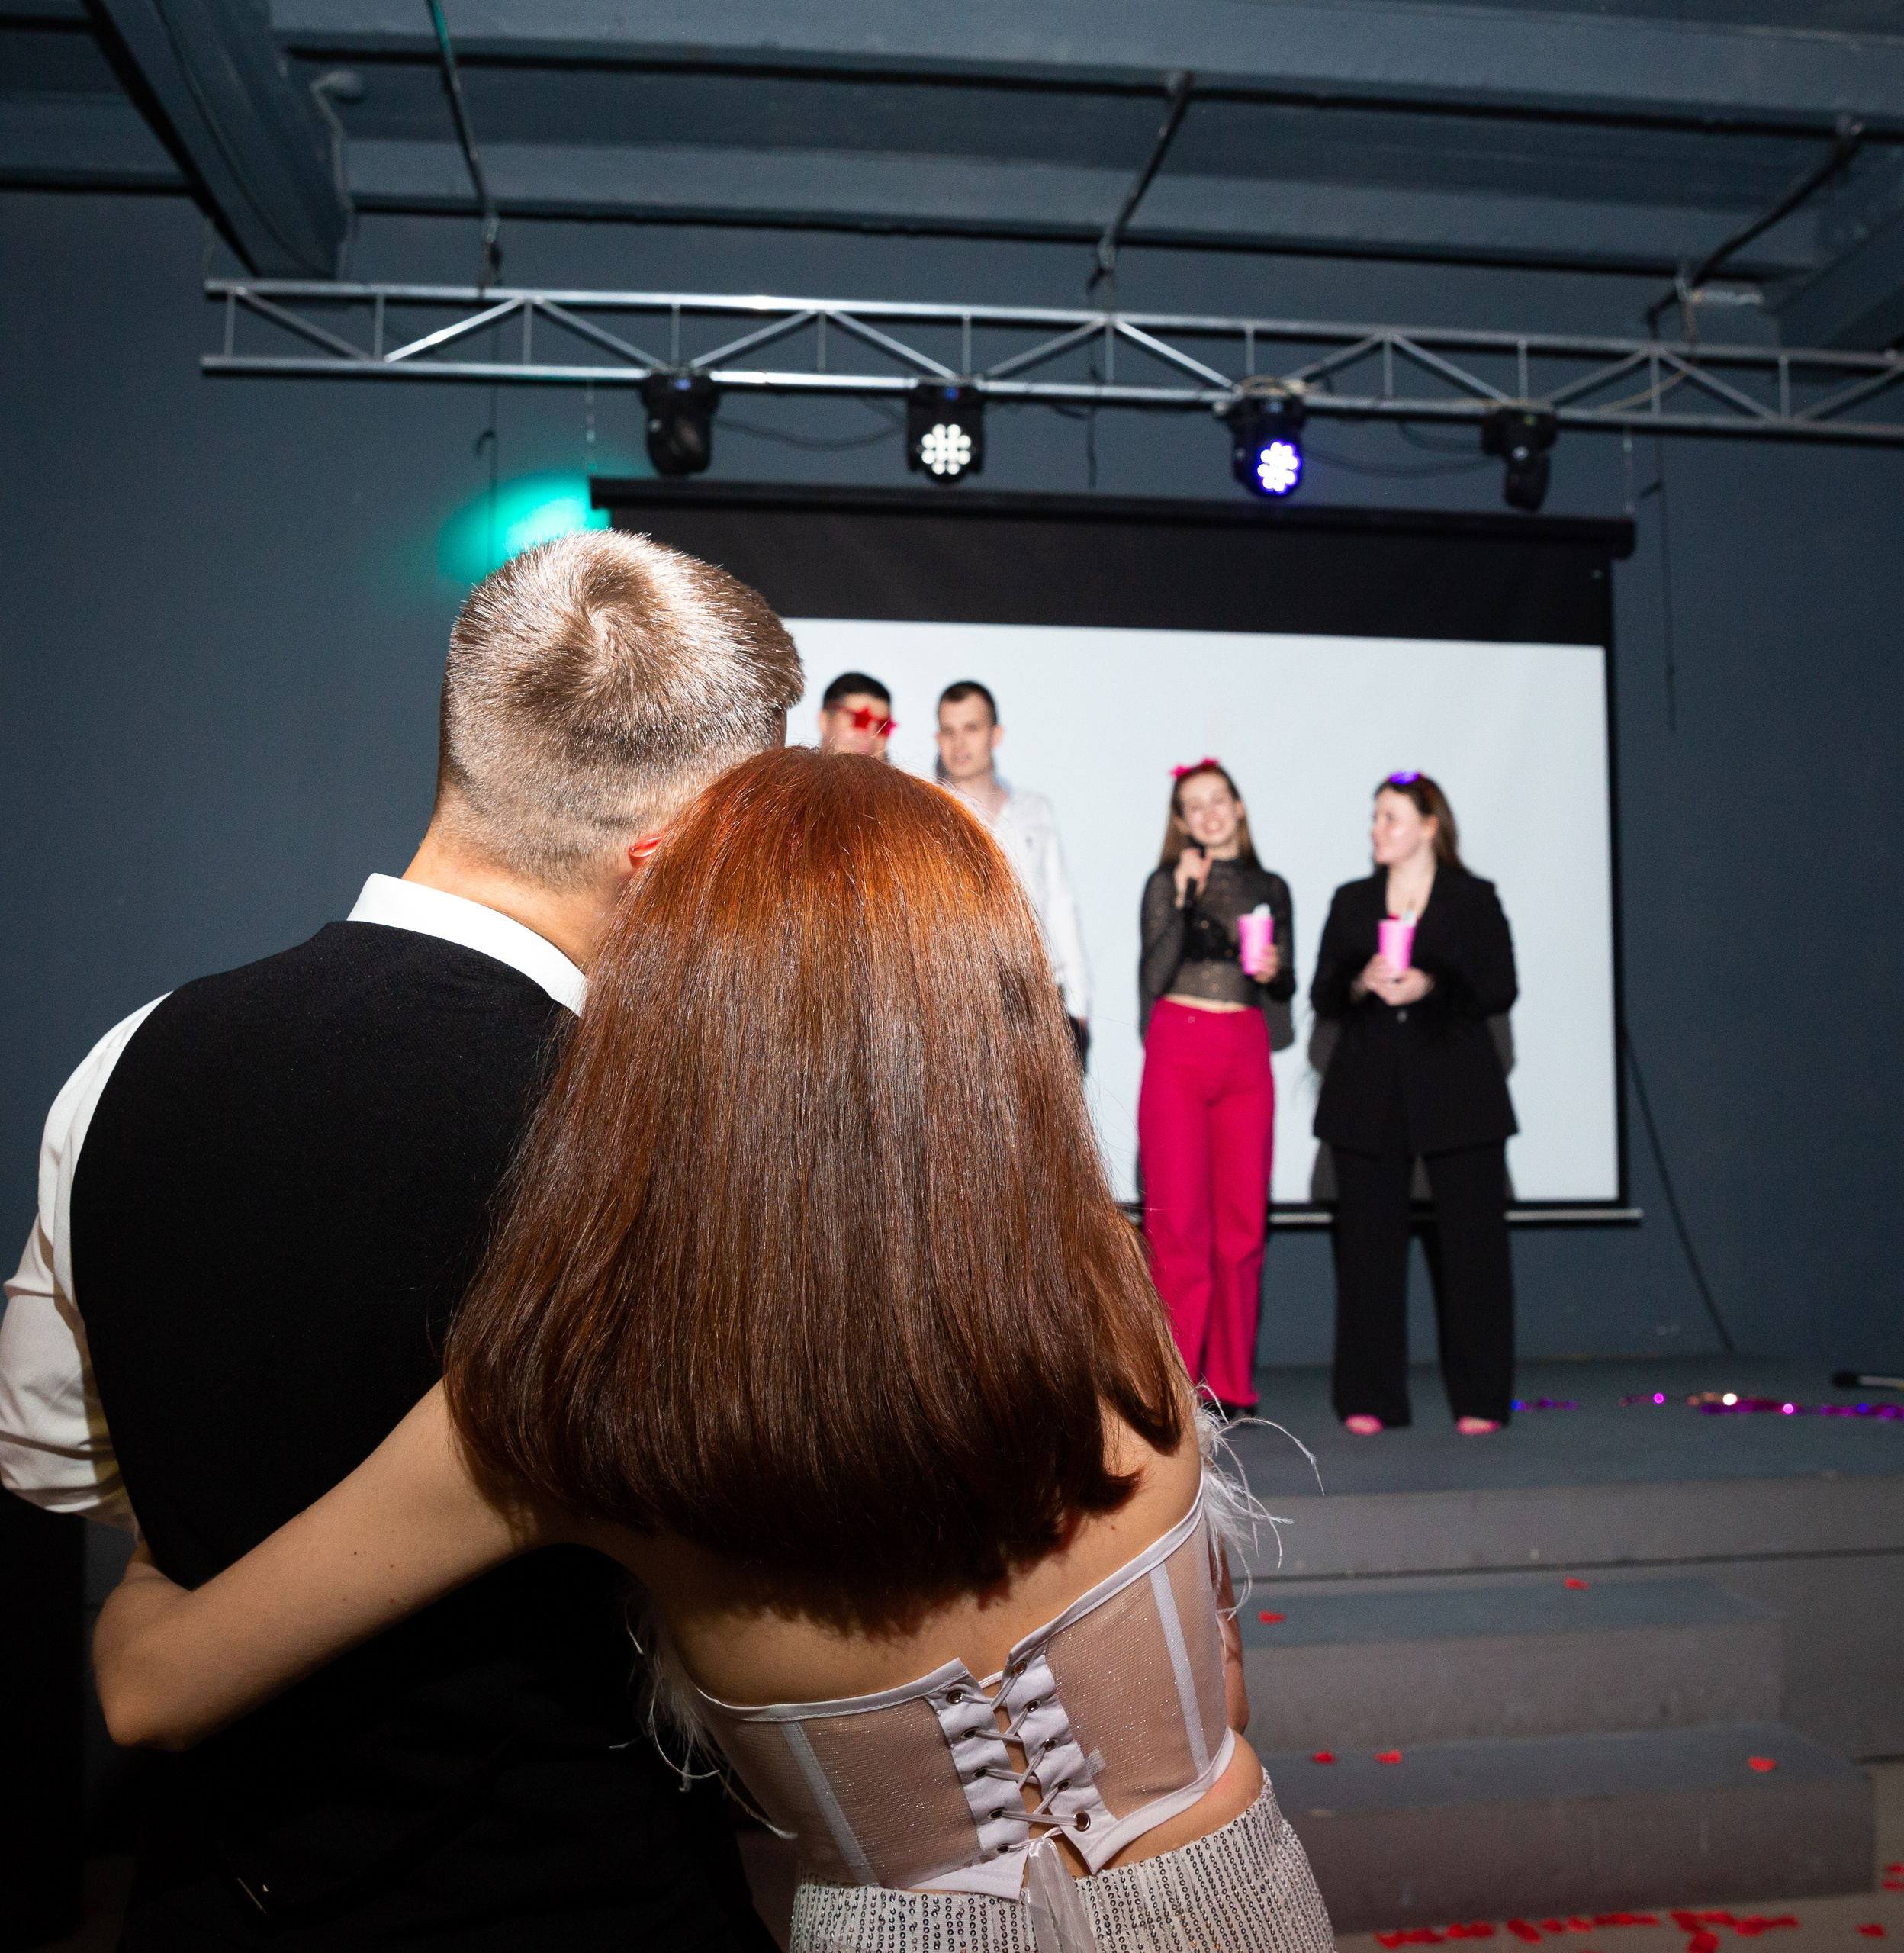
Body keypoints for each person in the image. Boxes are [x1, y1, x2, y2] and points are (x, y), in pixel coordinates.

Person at [91, 749, 1337, 1953]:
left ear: (678, 1025)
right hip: (1238, 1909)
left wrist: (156, 1519)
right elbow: (1218, 1701)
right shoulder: (1102, 1298)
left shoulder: (572, 1399)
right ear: (993, 1002)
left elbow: (149, 1692)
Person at [0, 529, 802, 1949]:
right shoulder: (665, 1148)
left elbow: (52, 1463)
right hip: (577, 1902)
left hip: (212, 1899)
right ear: (667, 851)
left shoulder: (128, 1059)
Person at [1307, 771, 1519, 1438]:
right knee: (1368, 1252)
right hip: (1368, 1093)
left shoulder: (1473, 898)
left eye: (1391, 817)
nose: (1378, 829)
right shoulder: (1352, 900)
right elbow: (1322, 992)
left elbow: (1500, 986)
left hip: (1459, 1094)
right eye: (1374, 817)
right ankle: (1370, 1395)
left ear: (1430, 825)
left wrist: (1431, 982)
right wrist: (1361, 981)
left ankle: (1481, 1396)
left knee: (1473, 1251)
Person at [1137, 761, 1295, 1417]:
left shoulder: (1270, 886)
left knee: (1241, 1229)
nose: (1208, 813)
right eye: (1192, 806)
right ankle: (1178, 1384)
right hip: (1177, 1047)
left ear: (1238, 806)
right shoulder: (1165, 882)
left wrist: (1276, 966)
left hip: (1245, 1051)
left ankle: (1231, 1386)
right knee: (1180, 1230)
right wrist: (1181, 896)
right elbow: (1152, 977)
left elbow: (1283, 987)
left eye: (1217, 800)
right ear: (1180, 822)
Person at [934, 679, 1092, 1067]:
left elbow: (1059, 904)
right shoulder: (926, 813)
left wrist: (1080, 1004)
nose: (960, 743)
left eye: (971, 728)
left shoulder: (1035, 810)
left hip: (1038, 999)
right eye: (949, 731)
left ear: (996, 734)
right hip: (958, 1003)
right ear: (937, 738)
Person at [815, 669, 895, 758]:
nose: (871, 735)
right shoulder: (797, 771)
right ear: (824, 721)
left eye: (882, 727)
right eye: (861, 720)